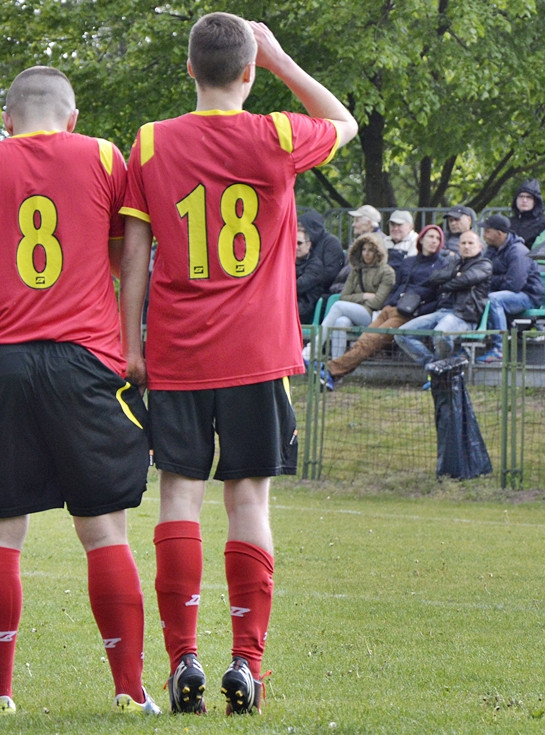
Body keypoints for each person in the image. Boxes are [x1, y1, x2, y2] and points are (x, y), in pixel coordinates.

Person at [118, 13, 359, 714]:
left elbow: (134, 251)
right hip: (257, 354)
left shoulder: (152, 142)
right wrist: (281, 58)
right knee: (249, 500)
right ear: (248, 71)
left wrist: (131, 342)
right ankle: (246, 662)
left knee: (177, 497)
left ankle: (182, 656)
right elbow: (340, 120)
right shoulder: (279, 134)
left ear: (189, 69)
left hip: (178, 349)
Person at [0, 65, 160, 716]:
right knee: (103, 531)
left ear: (7, 120)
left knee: (4, 533)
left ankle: (2, 693)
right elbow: (128, 251)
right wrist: (131, 345)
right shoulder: (102, 154)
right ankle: (128, 691)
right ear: (72, 118)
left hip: (4, 358)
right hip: (86, 361)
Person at [325, 225, 449, 386]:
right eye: (431, 237)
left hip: (408, 313)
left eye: (438, 238)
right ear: (422, 239)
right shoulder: (409, 261)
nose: (434, 241)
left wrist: (418, 311)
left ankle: (329, 370)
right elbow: (397, 285)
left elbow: (438, 296)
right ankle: (333, 375)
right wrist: (389, 303)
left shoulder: (442, 265)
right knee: (364, 340)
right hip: (390, 308)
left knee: (371, 342)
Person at [395, 230, 492, 368]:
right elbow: (434, 278)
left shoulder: (484, 264)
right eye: (463, 243)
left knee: (440, 334)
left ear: (480, 247)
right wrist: (454, 274)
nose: (466, 246)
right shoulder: (454, 262)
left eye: (471, 243)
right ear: (458, 246)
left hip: (463, 315)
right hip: (441, 311)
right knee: (401, 334)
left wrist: (446, 283)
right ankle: (435, 366)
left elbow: (464, 280)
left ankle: (440, 370)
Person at [477, 214, 545, 364]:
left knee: (494, 300)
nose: (484, 235)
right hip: (508, 291)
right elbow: (483, 274)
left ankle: (499, 350)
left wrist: (493, 281)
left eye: (487, 231)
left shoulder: (518, 251)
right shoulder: (492, 249)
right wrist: (499, 279)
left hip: (528, 296)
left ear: (499, 234)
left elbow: (514, 285)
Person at [320, 232, 394, 359]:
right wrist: (364, 296)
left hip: (373, 316)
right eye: (363, 249)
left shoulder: (387, 272)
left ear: (378, 251)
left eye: (371, 250)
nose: (366, 253)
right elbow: (344, 296)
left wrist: (354, 300)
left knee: (338, 306)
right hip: (355, 311)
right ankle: (335, 366)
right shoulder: (356, 270)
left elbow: (377, 302)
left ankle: (315, 345)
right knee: (340, 322)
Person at [299, 209, 344, 290]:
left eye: (302, 229)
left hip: (321, 287)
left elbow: (331, 272)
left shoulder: (331, 242)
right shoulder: (309, 241)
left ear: (311, 228)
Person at [508, 179, 545, 249]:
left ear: (535, 201)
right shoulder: (509, 223)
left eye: (529, 197)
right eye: (521, 196)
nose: (524, 200)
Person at [296, 222, 326, 324]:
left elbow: (300, 285)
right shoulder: (287, 261)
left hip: (305, 306)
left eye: (299, 243)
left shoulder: (316, 265)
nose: (295, 247)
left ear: (308, 245)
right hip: (289, 303)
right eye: (292, 242)